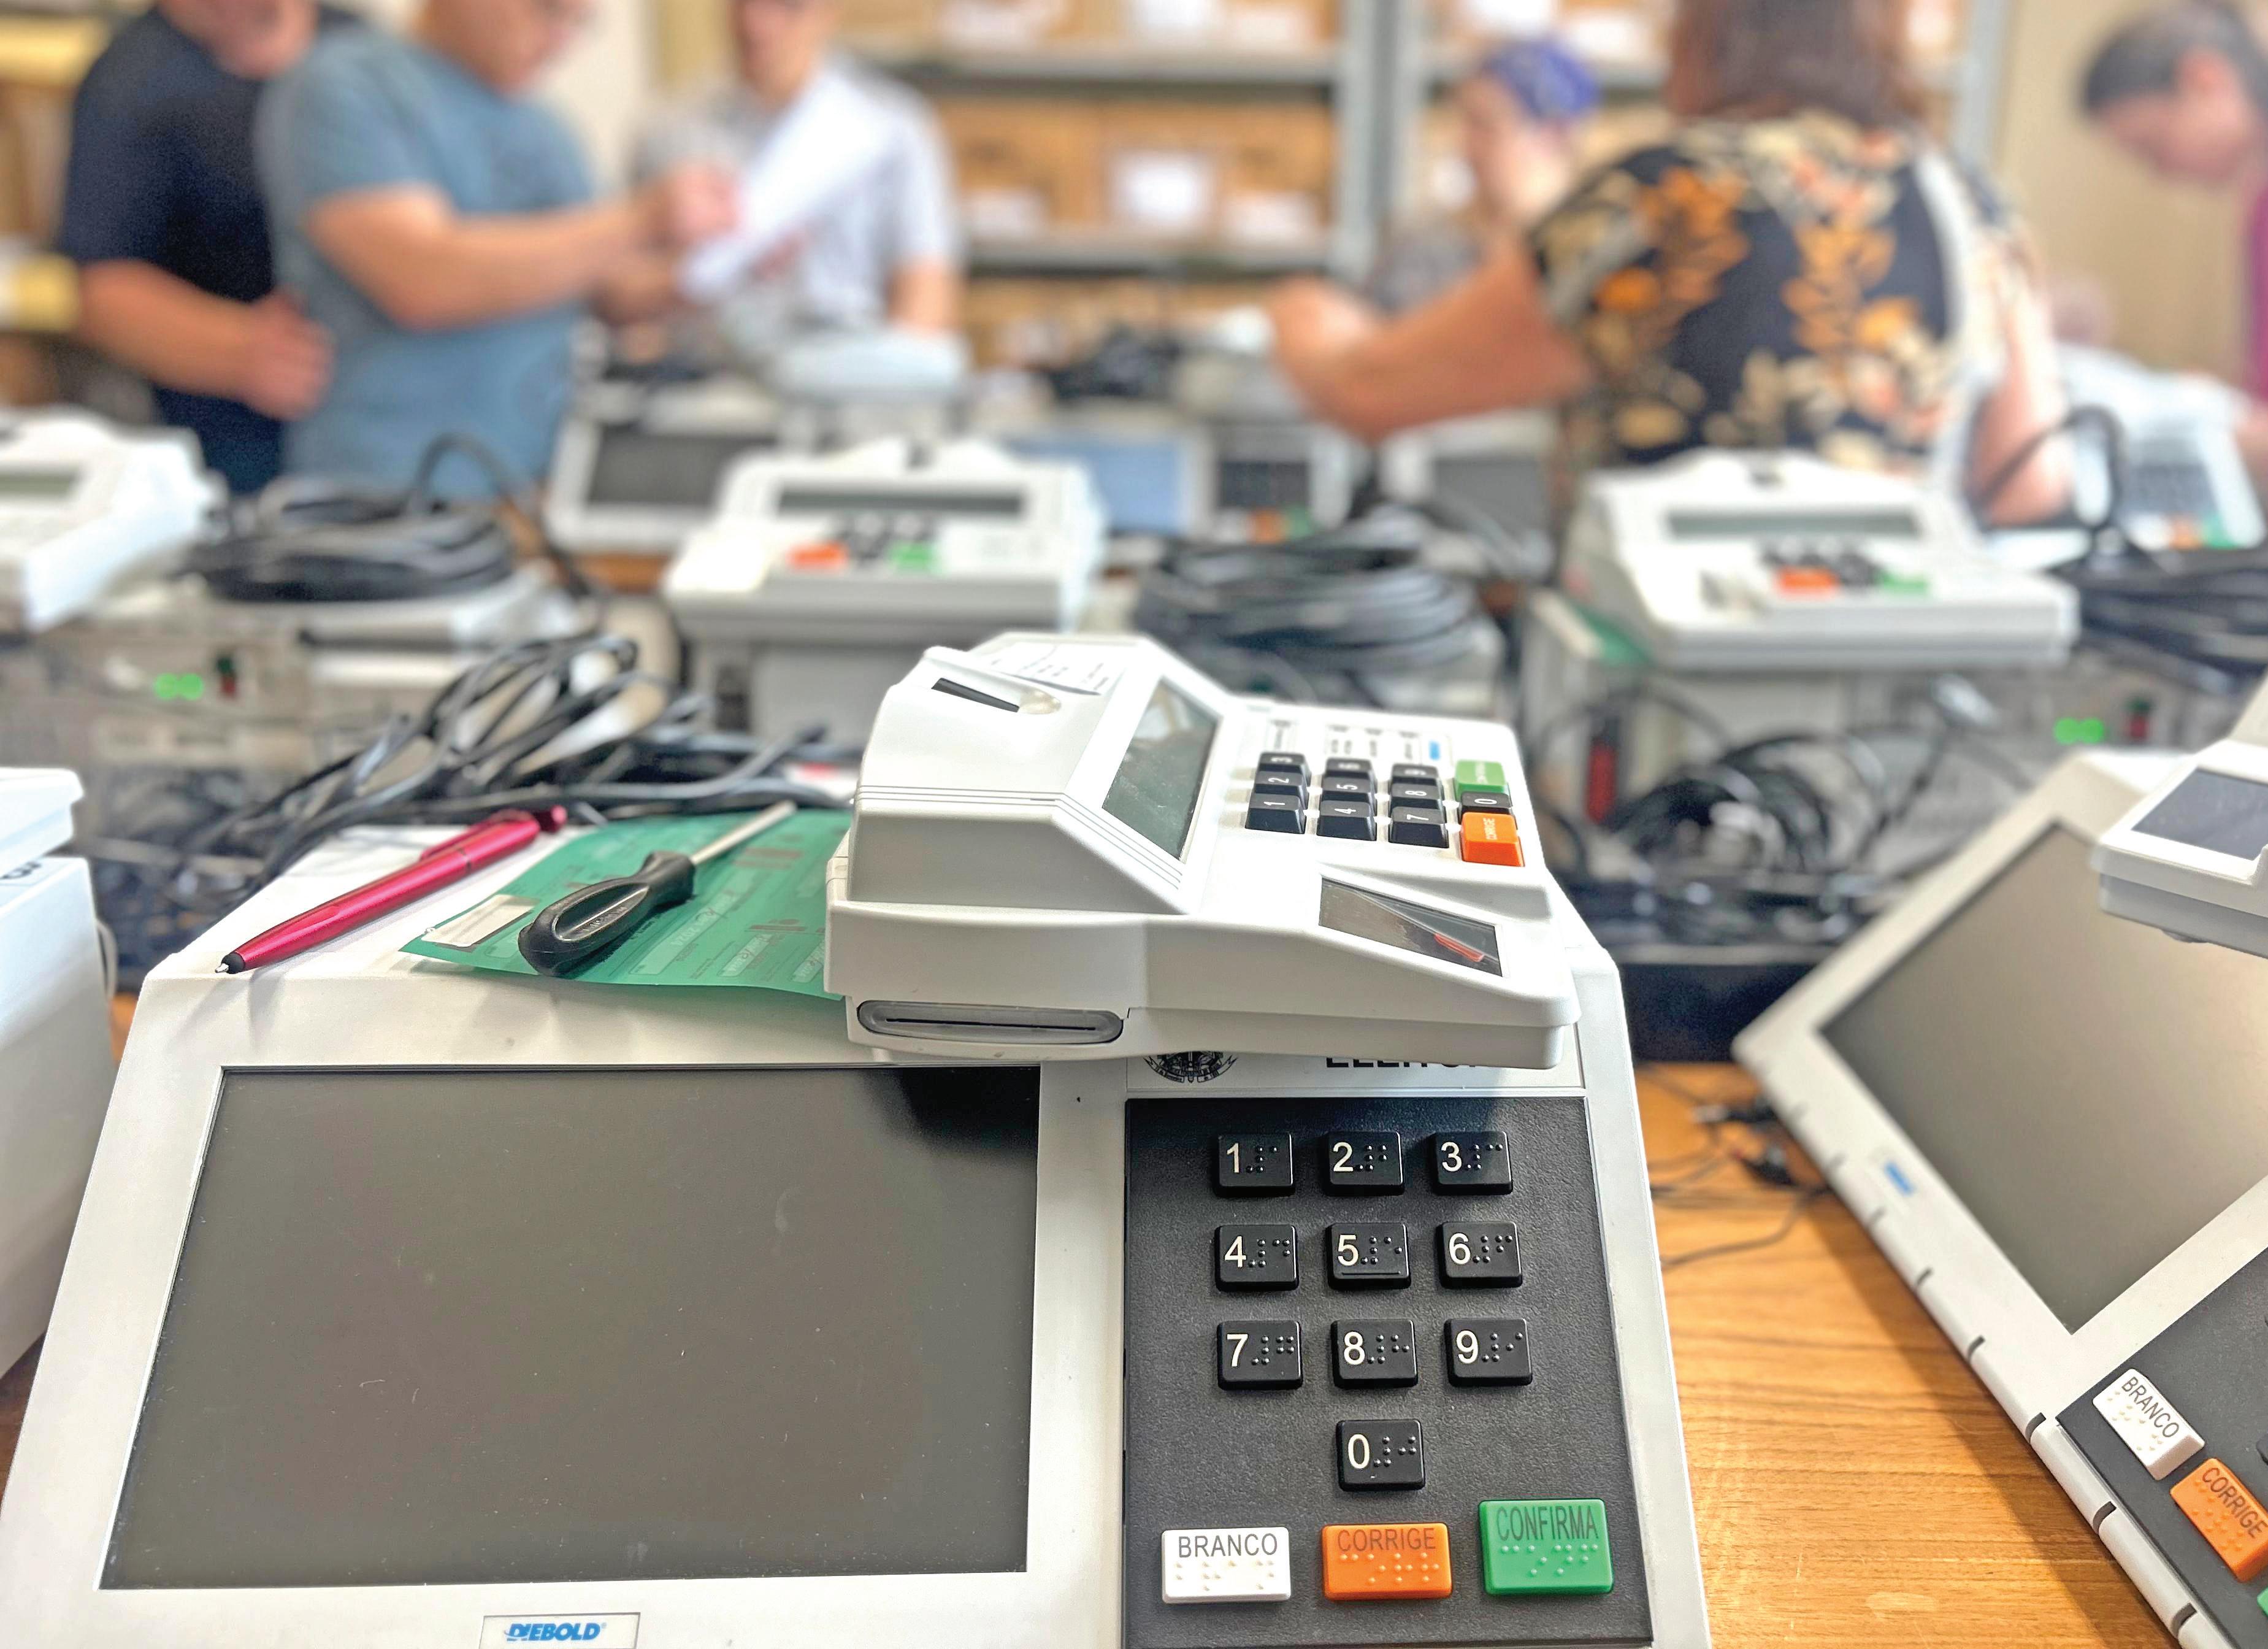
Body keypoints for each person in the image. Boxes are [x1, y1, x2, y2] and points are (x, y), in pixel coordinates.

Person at [1270, 0, 2071, 525]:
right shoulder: (1970, 202)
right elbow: (2028, 483)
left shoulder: (1668, 194)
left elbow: (1367, 392)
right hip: (1899, 675)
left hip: (1662, 680)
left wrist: (1302, 314)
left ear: (1707, 31)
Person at [257, 0, 737, 494]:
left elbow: (607, 290)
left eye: (578, 23)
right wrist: (641, 220)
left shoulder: (545, 127)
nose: (561, 40)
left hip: (539, 485)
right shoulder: (345, 86)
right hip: (389, 492)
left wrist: (717, 267)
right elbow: (423, 280)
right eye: (549, 11)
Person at [56, 0, 355, 495]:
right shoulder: (132, 79)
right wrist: (243, 350)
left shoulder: (359, 49)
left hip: (384, 408)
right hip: (235, 436)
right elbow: (102, 289)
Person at [632, 0, 960, 359]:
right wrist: (712, 269)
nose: (757, 23)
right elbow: (624, 304)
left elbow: (926, 293)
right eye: (743, 3)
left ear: (829, 12)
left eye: (788, 6)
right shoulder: (669, 132)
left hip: (850, 368)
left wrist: (891, 373)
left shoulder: (892, 127)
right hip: (710, 370)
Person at [2082, 0, 2268, 472]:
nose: (2161, 174)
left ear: (2204, 80)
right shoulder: (2255, 204)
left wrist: (2205, 435)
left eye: (2153, 147)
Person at [1367, 36, 1601, 315]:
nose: (1465, 145)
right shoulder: (1422, 248)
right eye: (1465, 122)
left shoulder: (1593, 254)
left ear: (1554, 134)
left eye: (1485, 125)